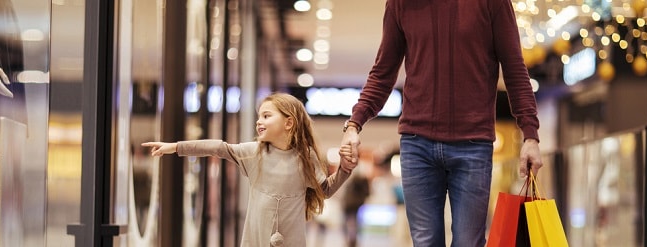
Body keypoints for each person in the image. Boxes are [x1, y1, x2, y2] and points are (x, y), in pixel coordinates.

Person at [339, 0, 544, 246]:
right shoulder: (400, 3)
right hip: (417, 145)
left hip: (473, 145)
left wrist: (530, 135)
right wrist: (354, 124)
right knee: (425, 243)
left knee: (469, 242)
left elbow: (515, 69)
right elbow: (382, 73)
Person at [143, 93, 358, 246]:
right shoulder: (253, 153)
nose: (259, 121)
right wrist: (176, 147)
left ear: (289, 123)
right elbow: (219, 148)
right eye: (258, 116)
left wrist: (344, 170)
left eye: (266, 116)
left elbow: (325, 190)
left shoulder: (306, 157)